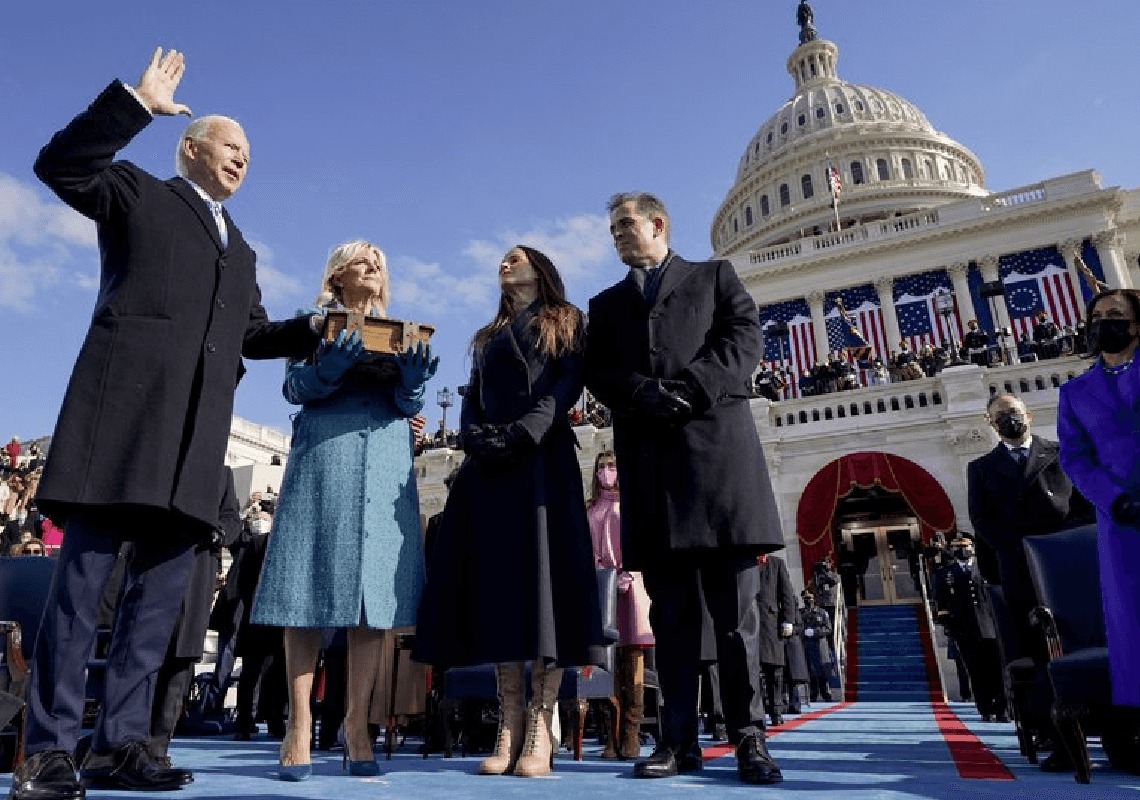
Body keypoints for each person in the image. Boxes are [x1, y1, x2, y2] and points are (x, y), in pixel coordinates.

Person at [14, 48, 320, 800]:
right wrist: (134, 104)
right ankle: (48, 751)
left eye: (250, 153)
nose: (243, 158)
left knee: (154, 613)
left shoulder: (242, 248)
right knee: (81, 596)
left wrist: (315, 327)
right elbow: (60, 164)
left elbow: (250, 333)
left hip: (192, 448)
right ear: (190, 147)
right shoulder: (137, 193)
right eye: (230, 146)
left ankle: (121, 745)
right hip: (119, 427)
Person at [584, 192, 784, 785]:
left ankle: (749, 738)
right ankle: (677, 741)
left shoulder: (715, 277)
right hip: (654, 473)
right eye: (612, 227)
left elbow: (743, 339)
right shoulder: (607, 304)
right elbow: (598, 370)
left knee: (735, 621)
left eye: (626, 224)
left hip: (719, 466)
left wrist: (693, 388)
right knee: (671, 621)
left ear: (658, 224)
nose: (618, 234)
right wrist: (640, 392)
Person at [414, 244, 604, 779]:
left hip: (541, 460)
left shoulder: (566, 320)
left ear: (539, 269)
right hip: (491, 467)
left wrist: (528, 431)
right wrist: (474, 435)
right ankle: (509, 720)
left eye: (516, 257)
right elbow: (472, 392)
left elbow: (568, 382)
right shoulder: (487, 336)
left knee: (543, 586)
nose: (505, 262)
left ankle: (540, 722)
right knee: (500, 591)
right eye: (502, 258)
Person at [250, 239, 438, 780]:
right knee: (306, 588)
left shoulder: (403, 332)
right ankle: (298, 723)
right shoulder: (312, 326)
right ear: (336, 278)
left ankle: (359, 725)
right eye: (362, 260)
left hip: (383, 456)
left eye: (380, 261)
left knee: (373, 596)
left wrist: (414, 384)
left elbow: (407, 406)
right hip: (325, 452)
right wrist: (326, 372)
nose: (374, 266)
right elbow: (293, 388)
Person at [1057, 289, 1140, 713]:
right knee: (1134, 622)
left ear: (1136, 324)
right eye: (1096, 316)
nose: (1103, 322)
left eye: (1115, 315)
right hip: (1123, 521)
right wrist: (1116, 500)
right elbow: (1074, 458)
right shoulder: (1075, 393)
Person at [967, 393, 1092, 661]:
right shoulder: (980, 468)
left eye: (1012, 411)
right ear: (992, 425)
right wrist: (1019, 546)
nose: (1008, 420)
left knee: (1081, 637)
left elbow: (1085, 507)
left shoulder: (1062, 454)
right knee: (1033, 647)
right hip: (1019, 567)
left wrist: (1060, 542)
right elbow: (980, 519)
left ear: (1028, 415)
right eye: (999, 417)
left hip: (1067, 561)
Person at [586, 450, 654, 759]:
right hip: (602, 590)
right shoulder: (590, 509)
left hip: (631, 587)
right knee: (606, 666)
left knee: (633, 659)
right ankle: (610, 736)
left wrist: (627, 572)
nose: (606, 471)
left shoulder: (630, 505)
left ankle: (632, 733)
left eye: (612, 466)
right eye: (602, 466)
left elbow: (638, 542)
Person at [934, 537, 1007, 722]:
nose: (961, 550)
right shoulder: (945, 573)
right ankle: (985, 709)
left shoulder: (985, 567)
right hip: (964, 629)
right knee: (976, 671)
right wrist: (950, 627)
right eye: (957, 547)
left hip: (990, 627)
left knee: (996, 669)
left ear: (972, 547)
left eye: (965, 546)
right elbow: (941, 603)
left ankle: (1001, 709)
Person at [755, 555, 795, 727]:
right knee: (752, 674)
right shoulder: (746, 562)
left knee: (775, 672)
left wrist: (788, 620)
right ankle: (756, 713)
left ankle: (776, 711)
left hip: (771, 624)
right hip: (749, 624)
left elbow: (786, 594)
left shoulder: (777, 564)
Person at [800, 592, 834, 702]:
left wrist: (815, 632)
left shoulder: (822, 612)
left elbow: (828, 629)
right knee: (811, 673)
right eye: (805, 598)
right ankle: (813, 694)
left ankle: (826, 694)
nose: (807, 600)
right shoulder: (800, 613)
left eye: (809, 598)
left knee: (823, 672)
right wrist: (803, 632)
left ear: (814, 599)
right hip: (808, 647)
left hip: (820, 646)